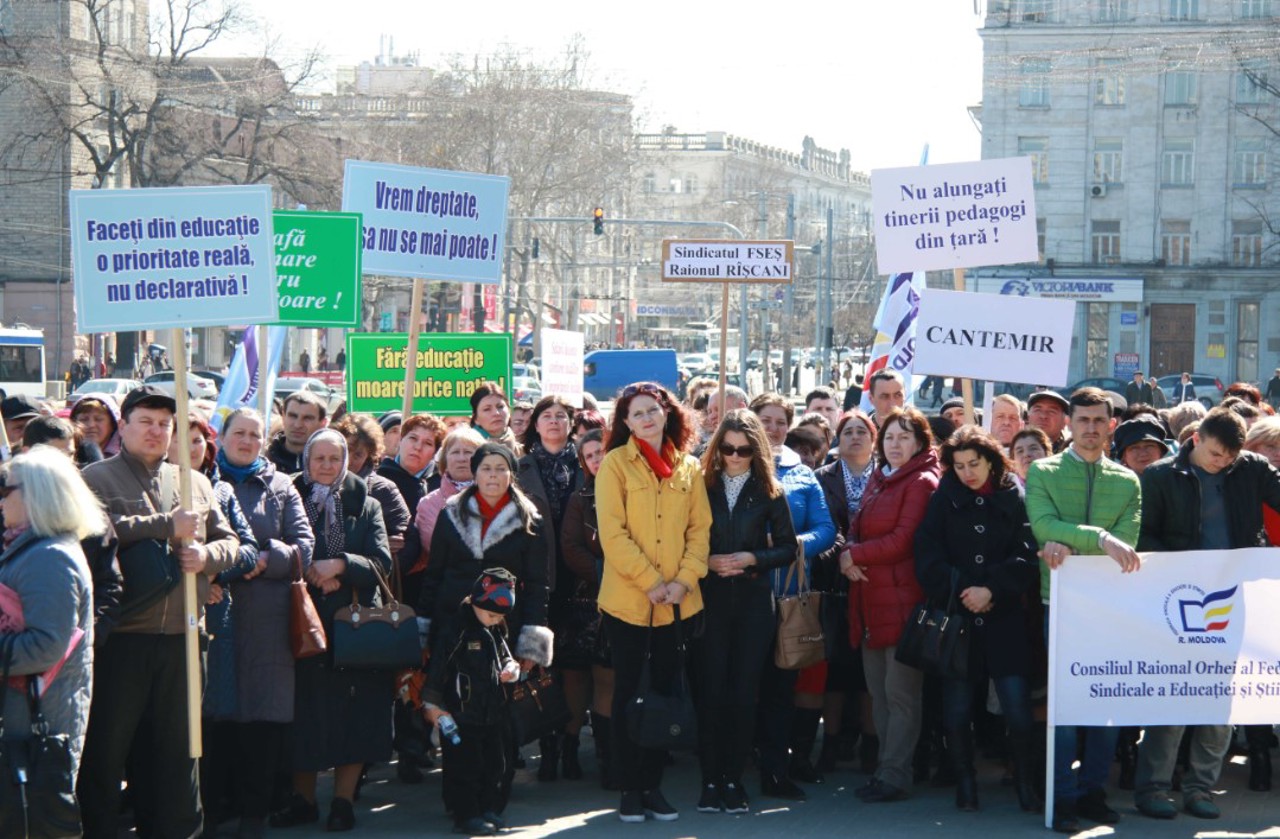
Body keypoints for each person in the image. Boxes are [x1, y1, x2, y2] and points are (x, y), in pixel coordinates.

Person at [79, 386, 241, 839]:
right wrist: (163, 525)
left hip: (187, 640)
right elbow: (94, 531)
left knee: (179, 753)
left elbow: (232, 543)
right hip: (124, 638)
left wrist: (206, 558)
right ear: (123, 425)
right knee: (107, 752)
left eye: (164, 424)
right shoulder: (94, 478)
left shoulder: (197, 481)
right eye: (146, 421)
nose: (156, 431)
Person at [1133, 407, 1280, 819]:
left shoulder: (1250, 468)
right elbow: (1144, 535)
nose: (1223, 463)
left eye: (1230, 458)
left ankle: (1201, 788)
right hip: (1181, 600)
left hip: (1234, 598)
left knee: (1220, 701)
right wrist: (1185, 567)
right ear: (1196, 440)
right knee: (1176, 699)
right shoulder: (1161, 476)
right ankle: (1153, 789)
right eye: (1216, 455)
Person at [1024, 387, 1141, 833]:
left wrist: (1076, 540)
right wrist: (1099, 538)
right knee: (1065, 707)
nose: (1091, 428)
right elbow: (1042, 526)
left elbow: (1126, 543)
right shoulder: (1044, 470)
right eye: (1083, 420)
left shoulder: (1127, 480)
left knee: (1105, 704)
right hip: (1060, 604)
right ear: (1069, 425)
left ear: (1111, 426)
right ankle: (1063, 797)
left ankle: (1093, 791)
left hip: (1109, 607)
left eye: (1098, 421)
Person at [596, 382, 710, 823]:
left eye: (652, 410)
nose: (646, 418)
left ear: (667, 414)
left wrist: (682, 582)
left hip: (678, 603)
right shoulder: (615, 465)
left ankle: (653, 786)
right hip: (630, 603)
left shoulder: (688, 468)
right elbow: (613, 533)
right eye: (636, 413)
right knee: (630, 694)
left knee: (665, 695)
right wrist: (649, 581)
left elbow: (700, 530)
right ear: (625, 422)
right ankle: (629, 787)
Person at [914, 427, 1040, 813]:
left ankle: (1025, 782)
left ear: (991, 461)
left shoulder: (1014, 496)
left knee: (1018, 710)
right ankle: (965, 783)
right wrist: (968, 591)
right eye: (959, 465)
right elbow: (928, 554)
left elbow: (1026, 553)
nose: (968, 472)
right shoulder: (943, 500)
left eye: (975, 464)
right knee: (956, 711)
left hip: (1005, 620)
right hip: (959, 619)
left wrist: (993, 590)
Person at [274, 429, 392, 833]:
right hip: (301, 623)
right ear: (306, 460)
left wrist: (339, 565)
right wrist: (309, 570)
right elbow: (278, 546)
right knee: (303, 713)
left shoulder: (367, 503)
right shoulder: (288, 497)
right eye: (318, 458)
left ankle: (343, 800)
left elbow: (381, 562)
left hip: (354, 628)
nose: (326, 466)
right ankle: (303, 800)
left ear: (347, 461)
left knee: (355, 716)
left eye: (333, 458)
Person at [212, 408, 316, 835]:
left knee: (262, 719)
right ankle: (217, 808)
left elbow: (304, 547)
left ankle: (256, 810)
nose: (248, 441)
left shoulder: (280, 487)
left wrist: (265, 561)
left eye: (256, 435)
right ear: (222, 437)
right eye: (240, 433)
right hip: (217, 614)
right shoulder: (203, 482)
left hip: (269, 620)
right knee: (216, 716)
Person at [694, 409, 799, 815]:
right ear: (717, 447)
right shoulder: (700, 486)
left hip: (754, 603)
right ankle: (709, 779)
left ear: (756, 451)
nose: (735, 457)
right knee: (711, 693)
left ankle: (734, 779)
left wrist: (752, 556)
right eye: (727, 448)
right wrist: (707, 561)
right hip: (710, 601)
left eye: (743, 450)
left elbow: (789, 547)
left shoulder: (770, 490)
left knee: (742, 695)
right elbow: (682, 540)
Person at [840, 406, 940, 803]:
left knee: (900, 696)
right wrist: (850, 551)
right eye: (890, 436)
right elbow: (855, 526)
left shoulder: (923, 481)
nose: (894, 444)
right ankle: (886, 767)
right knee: (879, 694)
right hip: (870, 599)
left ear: (919, 442)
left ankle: (895, 774)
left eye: (904, 437)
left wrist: (854, 556)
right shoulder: (882, 478)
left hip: (902, 603)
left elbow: (903, 539)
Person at [749, 392, 836, 798]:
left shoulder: (802, 474)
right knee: (739, 687)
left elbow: (825, 529)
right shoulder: (730, 465)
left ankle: (775, 771)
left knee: (781, 689)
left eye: (781, 421)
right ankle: (731, 769)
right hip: (739, 596)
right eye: (766, 420)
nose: (774, 428)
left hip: (786, 596)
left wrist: (792, 545)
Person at [0, 445, 103, 785]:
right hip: (27, 717)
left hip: (38, 723)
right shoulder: (34, 549)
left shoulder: (49, 558)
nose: (1, 500)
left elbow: (46, 645)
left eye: (6, 489)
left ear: (36, 495)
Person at [515, 395, 585, 780]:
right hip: (538, 578)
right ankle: (547, 746)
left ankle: (571, 743)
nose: (554, 421)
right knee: (543, 666)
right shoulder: (520, 465)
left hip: (580, 578)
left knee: (574, 667)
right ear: (535, 425)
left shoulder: (588, 462)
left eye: (561, 416)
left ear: (572, 424)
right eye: (547, 416)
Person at [424, 568, 523, 836]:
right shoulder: (457, 629)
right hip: (461, 713)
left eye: (500, 616)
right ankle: (466, 814)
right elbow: (439, 668)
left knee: (495, 764)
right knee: (464, 767)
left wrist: (511, 669)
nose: (495, 620)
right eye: (491, 614)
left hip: (492, 711)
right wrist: (432, 704)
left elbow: (506, 656)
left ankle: (488, 806)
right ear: (477, 602)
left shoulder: (495, 629)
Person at [811, 410, 876, 773]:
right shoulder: (823, 477)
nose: (855, 437)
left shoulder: (886, 476)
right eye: (847, 431)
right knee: (836, 670)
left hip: (874, 579)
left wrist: (864, 557)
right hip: (835, 583)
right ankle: (831, 745)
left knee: (868, 672)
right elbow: (824, 525)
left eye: (861, 431)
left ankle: (870, 744)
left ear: (873, 437)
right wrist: (843, 558)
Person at [559, 429, 613, 788]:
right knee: (576, 677)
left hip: (626, 597)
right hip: (585, 597)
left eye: (602, 451)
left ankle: (609, 757)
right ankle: (568, 748)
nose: (597, 459)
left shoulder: (633, 491)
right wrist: (604, 571)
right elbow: (571, 546)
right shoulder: (580, 498)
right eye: (590, 455)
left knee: (609, 678)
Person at [267, 391, 328, 475]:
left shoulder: (330, 464)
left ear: (322, 423)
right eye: (293, 416)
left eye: (307, 418)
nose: (298, 425)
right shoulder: (263, 461)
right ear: (283, 417)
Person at [470, 381, 522, 455]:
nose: (496, 413)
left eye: (500, 407)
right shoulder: (466, 451)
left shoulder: (524, 452)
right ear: (476, 419)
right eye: (487, 409)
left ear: (509, 410)